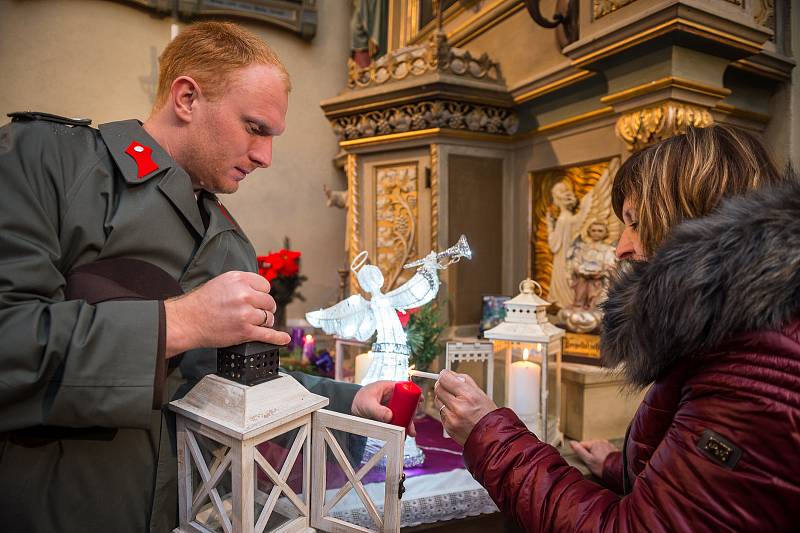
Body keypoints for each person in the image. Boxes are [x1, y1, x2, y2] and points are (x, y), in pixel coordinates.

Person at [0, 21, 407, 533]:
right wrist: (181, 321)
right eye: (255, 128)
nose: (265, 157)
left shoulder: (230, 242)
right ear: (187, 98)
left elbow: (221, 379)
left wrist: (348, 402)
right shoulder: (49, 161)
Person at [434, 124, 800, 531]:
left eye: (637, 223)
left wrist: (490, 435)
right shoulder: (740, 337)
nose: (620, 247)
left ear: (692, 223)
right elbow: (698, 500)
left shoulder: (758, 369)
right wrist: (616, 465)